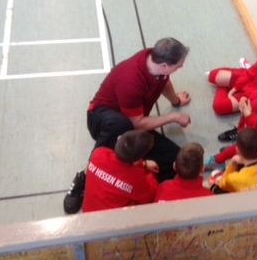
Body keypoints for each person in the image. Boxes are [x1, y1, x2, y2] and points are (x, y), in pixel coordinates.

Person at [64, 37, 192, 214]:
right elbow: (137, 124)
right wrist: (174, 117)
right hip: (104, 120)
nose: (181, 67)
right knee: (120, 124)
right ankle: (84, 177)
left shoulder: (156, 62)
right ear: (164, 65)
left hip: (130, 122)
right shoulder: (130, 80)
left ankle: (133, 172)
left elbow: (164, 82)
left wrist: (176, 101)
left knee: (176, 159)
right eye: (178, 66)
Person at [82, 130, 159, 212]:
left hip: (87, 213)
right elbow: (151, 195)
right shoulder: (135, 178)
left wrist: (144, 164)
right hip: (115, 218)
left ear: (119, 138)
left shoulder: (98, 153)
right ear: (136, 161)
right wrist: (148, 173)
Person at [209, 127, 257, 193]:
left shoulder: (234, 178)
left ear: (237, 150)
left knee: (215, 188)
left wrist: (232, 163)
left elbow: (222, 184)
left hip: (250, 200)